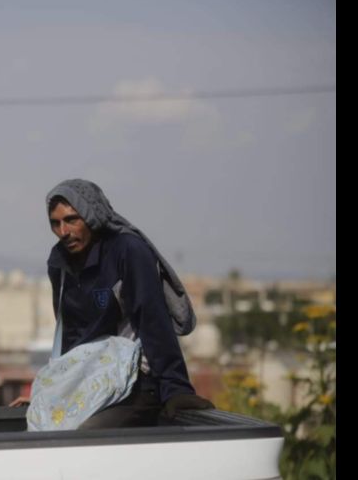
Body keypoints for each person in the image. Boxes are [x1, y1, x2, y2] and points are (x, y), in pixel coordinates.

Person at [11, 179, 213, 428]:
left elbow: (152, 320)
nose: (64, 231)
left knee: (84, 438)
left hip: (134, 384)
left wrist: (177, 389)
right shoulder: (60, 264)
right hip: (91, 385)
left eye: (72, 219)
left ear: (92, 215)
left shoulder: (127, 250)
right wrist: (50, 395)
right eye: (55, 223)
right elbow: (73, 341)